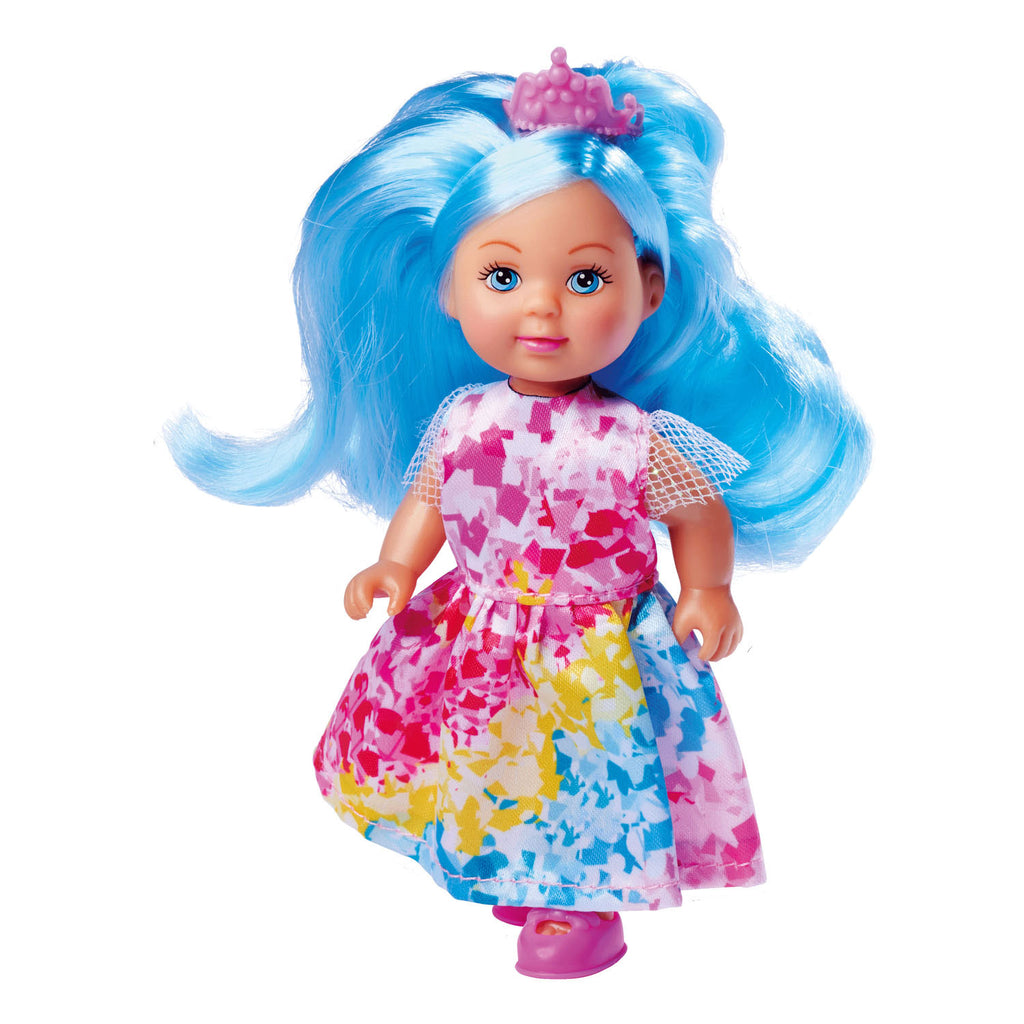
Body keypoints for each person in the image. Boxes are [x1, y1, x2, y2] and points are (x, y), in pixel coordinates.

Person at [167, 48, 870, 979]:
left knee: (588, 770)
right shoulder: (463, 418)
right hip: (483, 628)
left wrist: (709, 588)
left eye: (585, 280)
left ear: (648, 290)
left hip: (597, 649)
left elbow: (697, 512)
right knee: (485, 753)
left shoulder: (636, 438)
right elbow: (430, 494)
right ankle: (515, 862)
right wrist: (396, 565)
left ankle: (581, 904)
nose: (543, 308)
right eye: (503, 278)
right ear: (448, 289)